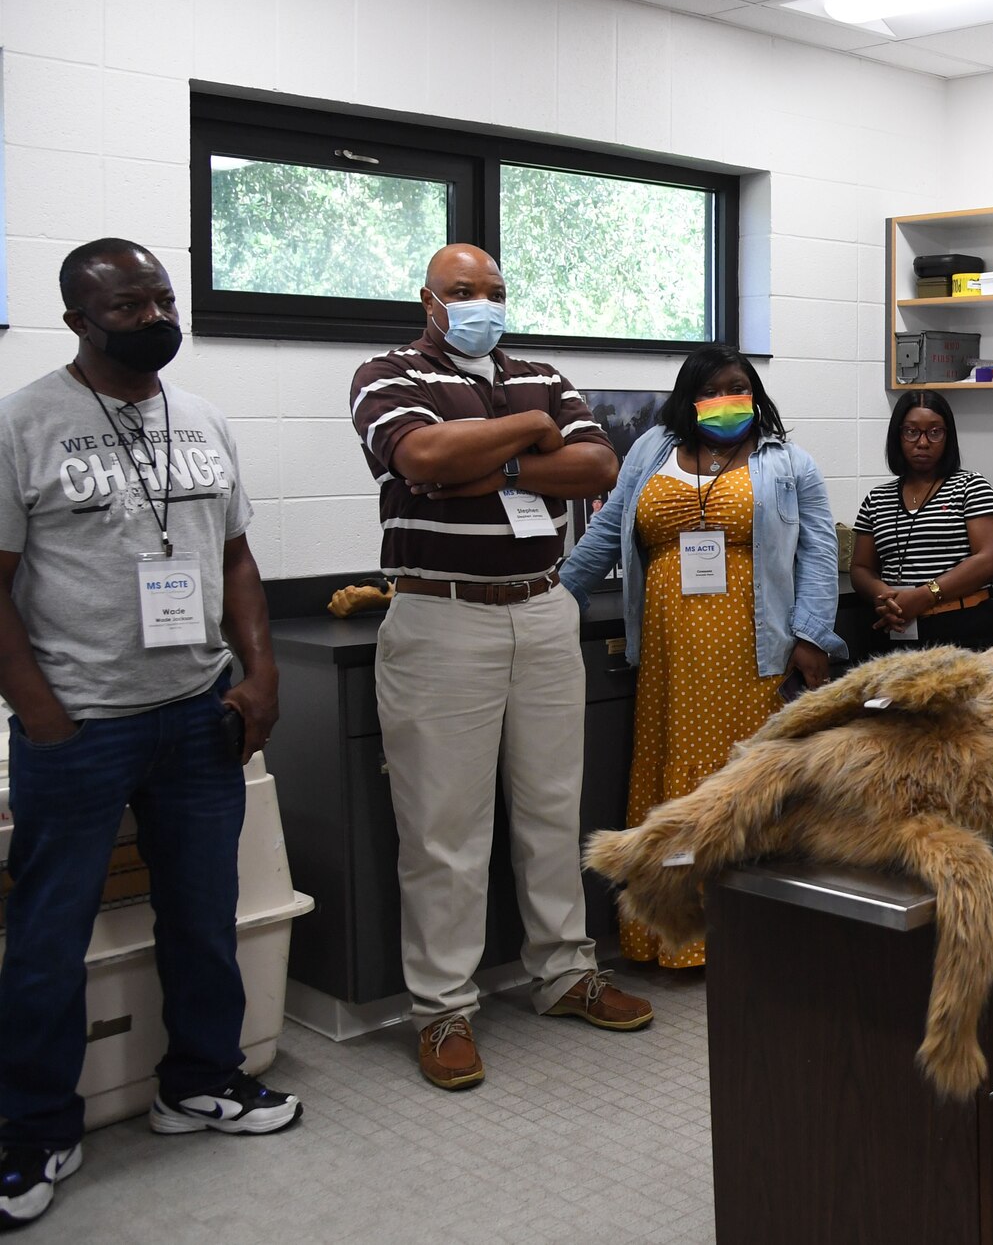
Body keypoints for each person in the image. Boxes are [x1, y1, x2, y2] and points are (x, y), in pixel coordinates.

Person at [0, 239, 300, 1228]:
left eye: (162, 296)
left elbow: (239, 561)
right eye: (128, 304)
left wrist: (257, 673)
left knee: (203, 916)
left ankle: (200, 1080)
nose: (154, 314)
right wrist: (38, 708)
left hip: (196, 713)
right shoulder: (23, 422)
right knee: (47, 939)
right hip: (79, 725)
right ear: (78, 317)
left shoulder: (203, 417)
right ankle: (35, 1131)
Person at [348, 244, 651, 1093]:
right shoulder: (387, 371)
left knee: (555, 807)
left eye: (494, 291)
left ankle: (563, 971)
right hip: (442, 615)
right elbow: (422, 460)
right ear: (429, 299)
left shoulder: (543, 372)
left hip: (543, 607)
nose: (481, 303)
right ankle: (443, 1006)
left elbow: (598, 466)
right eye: (462, 291)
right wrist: (524, 435)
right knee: (444, 826)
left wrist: (495, 459)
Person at [560, 346, 843, 969]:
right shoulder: (650, 454)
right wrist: (553, 598)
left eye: (739, 387)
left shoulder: (788, 463)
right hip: (666, 654)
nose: (727, 399)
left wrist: (811, 636)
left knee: (743, 788)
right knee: (673, 786)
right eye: (713, 389)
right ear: (689, 397)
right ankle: (669, 936)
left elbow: (820, 555)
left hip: (755, 651)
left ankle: (749, 930)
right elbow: (607, 535)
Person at [848, 391, 993, 656]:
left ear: (948, 437)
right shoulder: (877, 498)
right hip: (897, 628)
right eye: (911, 432)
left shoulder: (971, 486)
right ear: (897, 436)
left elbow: (991, 559)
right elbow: (861, 568)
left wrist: (924, 596)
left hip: (962, 629)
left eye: (934, 432)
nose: (922, 442)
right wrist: (886, 596)